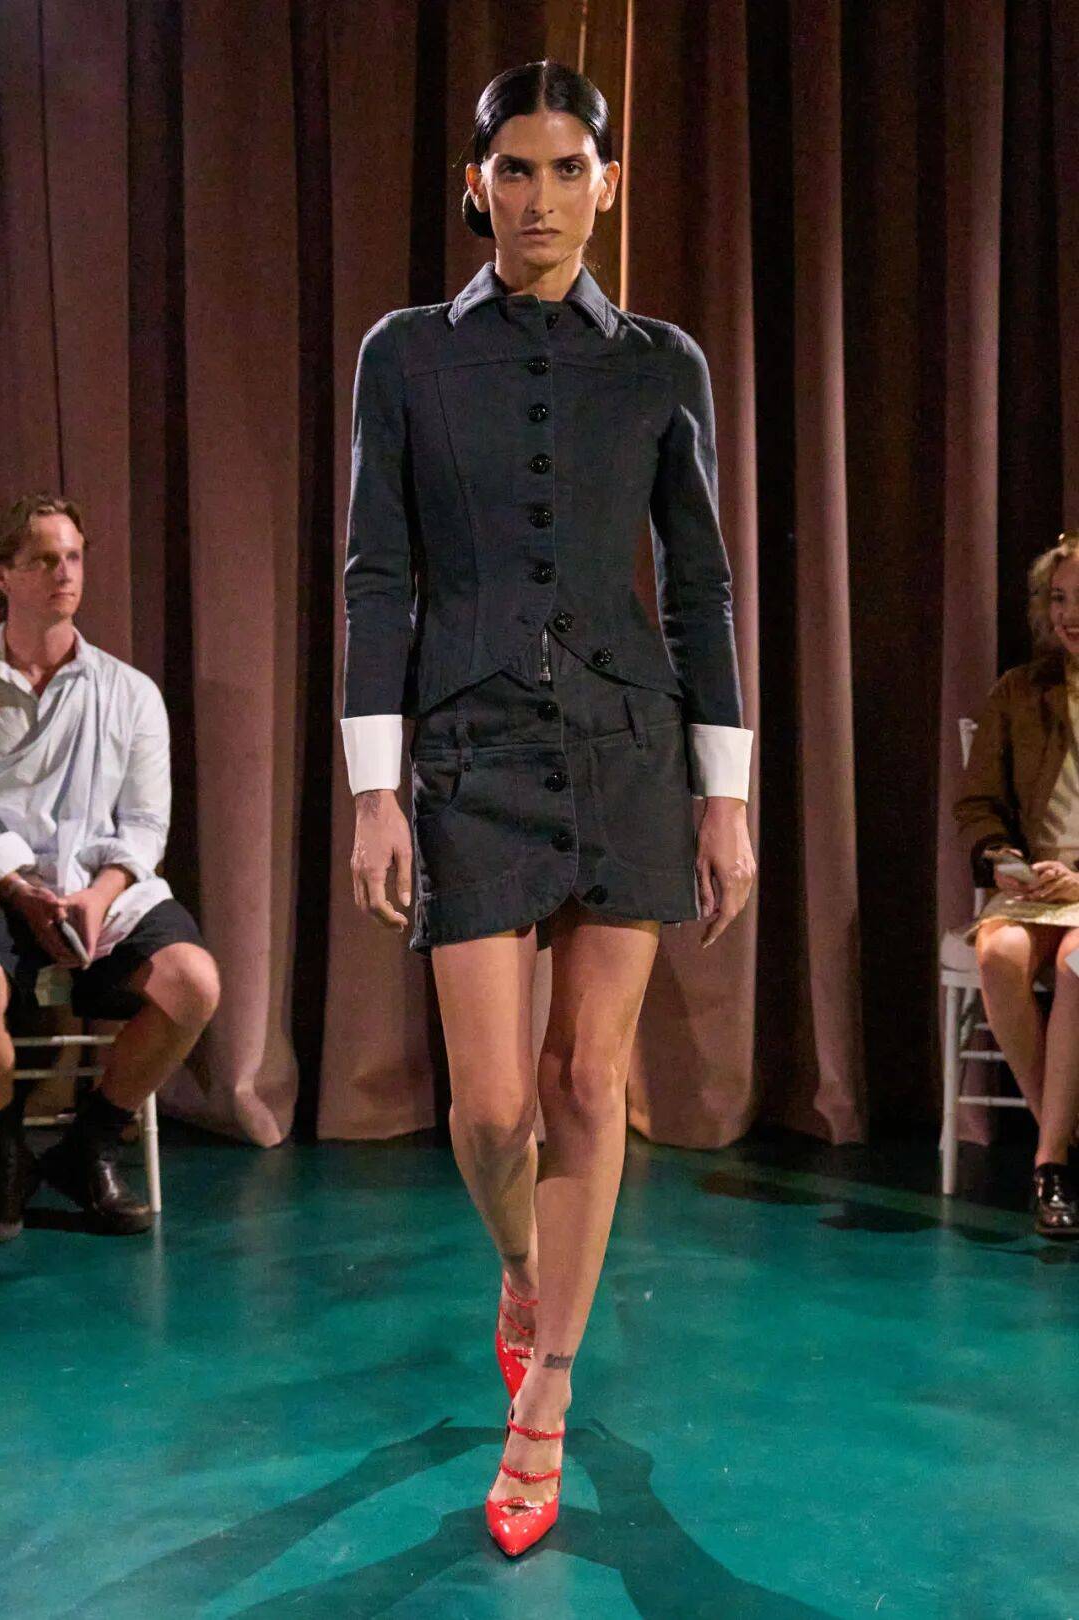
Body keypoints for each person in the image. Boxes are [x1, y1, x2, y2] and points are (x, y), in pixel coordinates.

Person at [342, 62, 755, 1555]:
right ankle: (522, 1269)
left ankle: (550, 1397)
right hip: (471, 754)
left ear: (607, 184)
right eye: (513, 170)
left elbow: (701, 587)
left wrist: (724, 796)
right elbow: (376, 576)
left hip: (630, 747)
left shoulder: (661, 363)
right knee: (494, 1109)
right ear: (476, 185)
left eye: (568, 168)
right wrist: (375, 787)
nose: (539, 198)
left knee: (589, 1083)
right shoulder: (406, 354)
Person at [0, 494, 220, 1241]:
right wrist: (18, 889)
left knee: (194, 983)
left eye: (73, 557)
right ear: (5, 575)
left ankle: (89, 1145)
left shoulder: (130, 692)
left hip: (101, 890)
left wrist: (99, 894)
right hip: (3, 886)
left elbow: (146, 825)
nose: (64, 573)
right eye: (43, 560)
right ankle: (5, 1150)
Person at [955, 530, 1079, 1240]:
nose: (1069, 615)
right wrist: (1000, 856)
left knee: (1077, 964)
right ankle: (1064, 1140)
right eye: (1059, 599)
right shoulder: (1019, 691)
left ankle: (1051, 1162)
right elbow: (977, 804)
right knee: (997, 954)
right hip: (1035, 889)